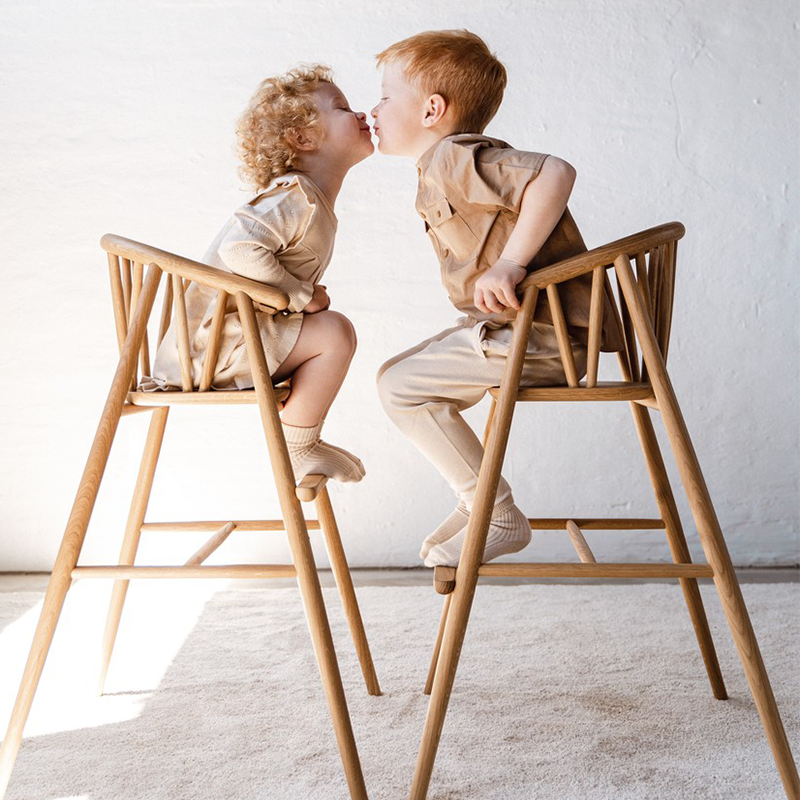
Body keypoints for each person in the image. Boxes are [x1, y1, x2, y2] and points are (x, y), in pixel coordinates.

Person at [372, 30, 624, 566]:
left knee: (398, 386)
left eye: (386, 96)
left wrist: (511, 263)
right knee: (408, 376)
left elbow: (556, 172)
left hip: (543, 339)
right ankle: (477, 500)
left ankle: (494, 510)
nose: (375, 108)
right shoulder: (441, 165)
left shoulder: (452, 158)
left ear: (432, 109)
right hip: (532, 334)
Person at [147, 65, 375, 483]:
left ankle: (301, 438)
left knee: (328, 330)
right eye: (342, 107)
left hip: (236, 342)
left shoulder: (309, 200)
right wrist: (300, 296)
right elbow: (240, 248)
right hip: (215, 348)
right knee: (335, 332)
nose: (360, 114)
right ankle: (299, 447)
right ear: (303, 138)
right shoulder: (295, 196)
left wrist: (297, 296)